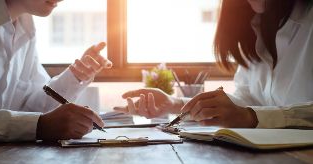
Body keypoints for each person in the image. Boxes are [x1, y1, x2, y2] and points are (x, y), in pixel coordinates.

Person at [114, 0, 313, 129]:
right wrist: (175, 104)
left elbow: (251, 112)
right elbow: (249, 99)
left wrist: (249, 117)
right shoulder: (253, 27)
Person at [0, 0, 112, 144]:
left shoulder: (25, 26)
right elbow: (38, 121)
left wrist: (75, 76)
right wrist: (40, 126)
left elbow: (32, 107)